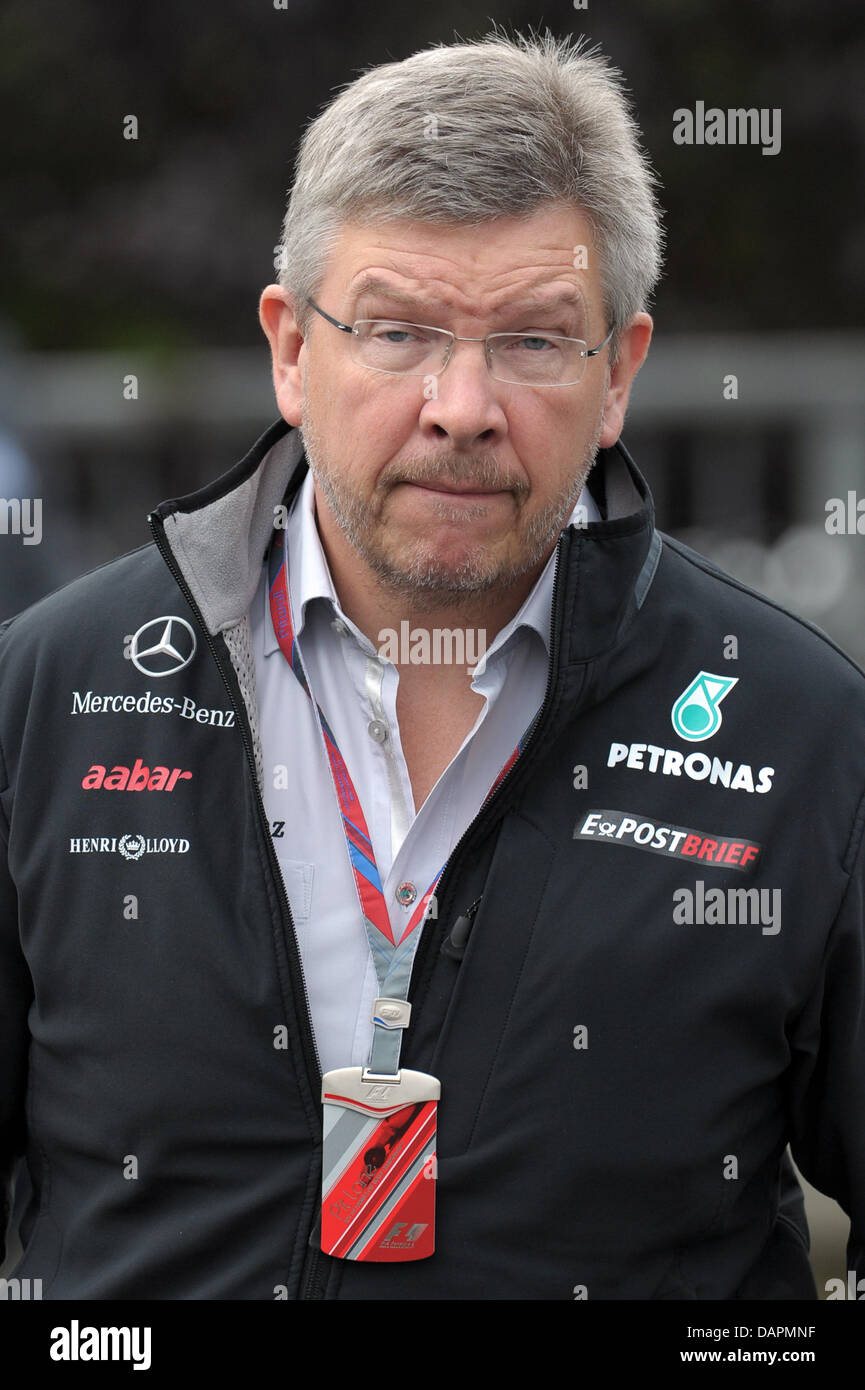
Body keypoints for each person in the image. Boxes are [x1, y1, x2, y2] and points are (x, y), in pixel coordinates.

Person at [1, 29, 863, 1302]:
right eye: (398, 332)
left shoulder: (797, 729)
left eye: (531, 341)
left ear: (617, 372)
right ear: (292, 351)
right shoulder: (50, 695)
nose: (462, 406)